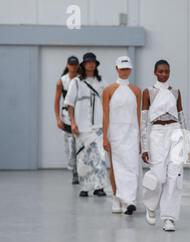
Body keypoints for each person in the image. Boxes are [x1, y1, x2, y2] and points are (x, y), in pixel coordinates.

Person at [141, 60, 190, 231]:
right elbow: (143, 121)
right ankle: (150, 204)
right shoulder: (148, 92)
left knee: (175, 175)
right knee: (159, 176)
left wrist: (188, 145)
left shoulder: (176, 92)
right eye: (161, 71)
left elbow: (182, 116)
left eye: (167, 71)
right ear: (155, 72)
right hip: (156, 133)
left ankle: (169, 218)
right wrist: (144, 146)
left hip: (175, 131)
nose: (164, 74)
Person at [65, 52, 108, 198]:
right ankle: (85, 187)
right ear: (83, 65)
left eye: (93, 62)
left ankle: (99, 187)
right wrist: (72, 123)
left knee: (100, 156)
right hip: (81, 126)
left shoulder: (102, 82)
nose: (90, 64)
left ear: (96, 64)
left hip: (98, 126)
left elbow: (107, 104)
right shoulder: (76, 82)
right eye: (88, 62)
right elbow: (69, 104)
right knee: (83, 157)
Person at [102, 56, 141, 215]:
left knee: (132, 166)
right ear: (116, 69)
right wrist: (105, 136)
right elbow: (105, 115)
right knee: (116, 166)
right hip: (115, 133)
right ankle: (117, 198)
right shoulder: (109, 90)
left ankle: (129, 201)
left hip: (132, 133)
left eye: (127, 68)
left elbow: (139, 116)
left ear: (130, 69)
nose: (125, 71)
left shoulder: (136, 91)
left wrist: (141, 139)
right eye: (122, 68)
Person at [53, 56, 79, 184]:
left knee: (80, 145)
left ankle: (79, 172)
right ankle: (74, 170)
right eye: (71, 64)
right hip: (66, 117)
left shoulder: (82, 79)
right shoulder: (62, 81)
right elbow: (57, 101)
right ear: (68, 65)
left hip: (79, 115)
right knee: (70, 145)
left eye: (75, 65)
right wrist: (58, 118)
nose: (73, 67)